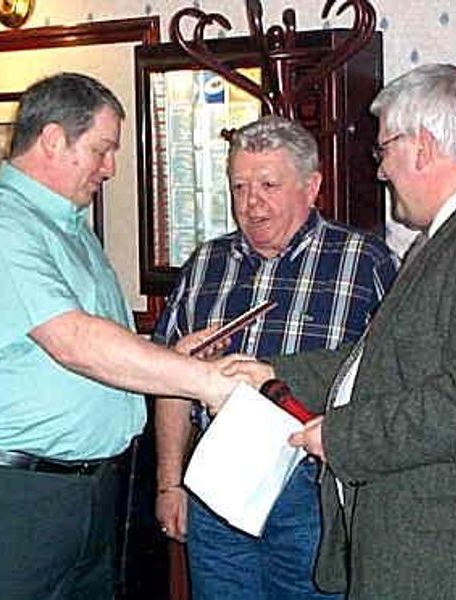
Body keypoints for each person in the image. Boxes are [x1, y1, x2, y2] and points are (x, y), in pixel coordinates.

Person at [225, 64, 456, 598]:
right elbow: (385, 360)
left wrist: (339, 436)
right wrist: (273, 371)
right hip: (439, 547)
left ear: (422, 146)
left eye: (384, 151)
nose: (381, 171)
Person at [0, 72, 241, 600]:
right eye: (102, 149)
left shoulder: (70, 230)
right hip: (6, 502)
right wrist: (206, 381)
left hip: (86, 497)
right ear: (52, 139)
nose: (110, 168)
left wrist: (169, 358)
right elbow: (72, 341)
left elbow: (99, 350)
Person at [153, 116, 396, 600]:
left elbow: (393, 378)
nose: (251, 202)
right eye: (239, 186)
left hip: (313, 487)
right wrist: (168, 484)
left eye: (268, 184)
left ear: (312, 187)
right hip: (215, 483)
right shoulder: (205, 263)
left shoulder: (365, 260)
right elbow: (170, 382)